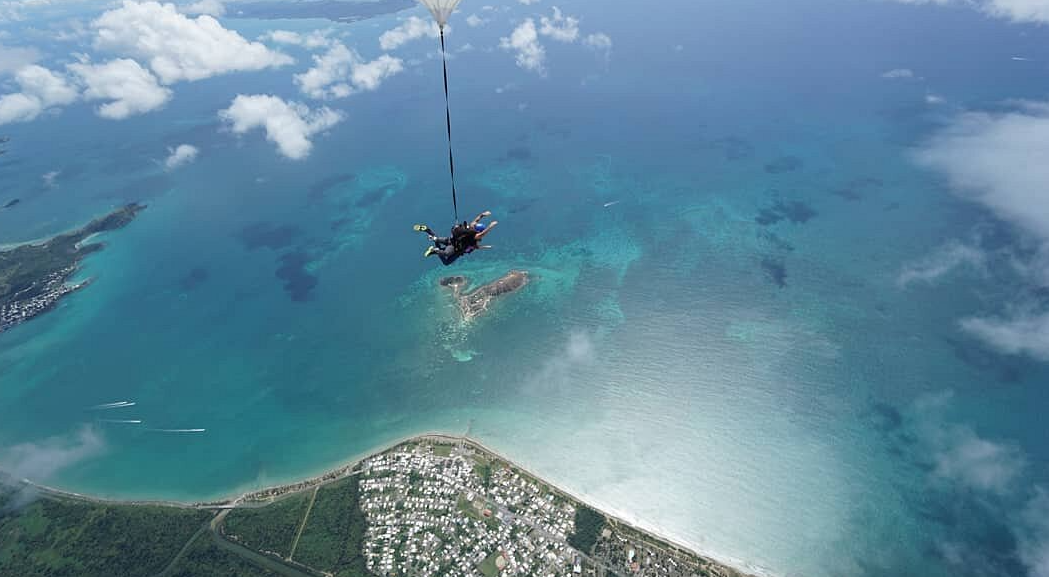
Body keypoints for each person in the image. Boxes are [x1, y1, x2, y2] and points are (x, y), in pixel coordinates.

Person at [415, 210, 498, 266]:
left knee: (436, 239)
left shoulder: (471, 226)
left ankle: (428, 231)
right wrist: (491, 226)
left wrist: (482, 215)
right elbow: (483, 234)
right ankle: (434, 250)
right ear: (479, 231)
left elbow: (476, 220)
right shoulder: (474, 236)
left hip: (450, 240)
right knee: (446, 259)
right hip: (454, 248)